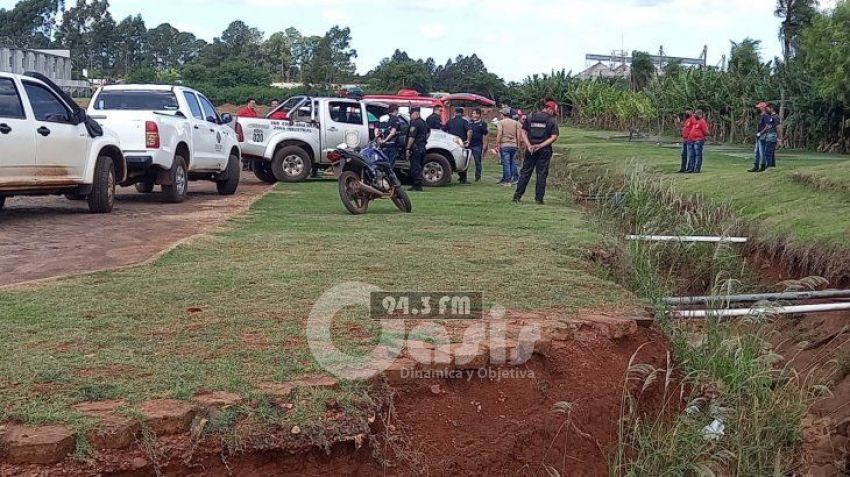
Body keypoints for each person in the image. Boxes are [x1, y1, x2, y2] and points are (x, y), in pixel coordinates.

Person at [513, 100, 560, 205]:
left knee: (525, 173)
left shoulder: (530, 117)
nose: (554, 114)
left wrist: (529, 145)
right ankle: (539, 199)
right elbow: (554, 137)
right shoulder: (551, 121)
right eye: (554, 112)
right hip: (544, 151)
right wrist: (540, 146)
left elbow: (523, 132)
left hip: (530, 151)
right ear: (549, 109)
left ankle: (517, 196)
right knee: (541, 174)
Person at [444, 107, 472, 184]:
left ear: (455, 113)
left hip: (451, 144)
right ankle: (463, 179)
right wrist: (468, 140)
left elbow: (443, 130)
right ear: (462, 113)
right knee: (462, 160)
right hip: (461, 143)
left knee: (450, 160)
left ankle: (448, 177)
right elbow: (469, 131)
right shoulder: (464, 122)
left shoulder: (450, 121)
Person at [406, 107, 430, 192]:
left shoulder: (415, 123)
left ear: (416, 113)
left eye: (411, 114)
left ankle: (417, 186)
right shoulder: (423, 122)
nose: (410, 116)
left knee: (415, 167)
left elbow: (411, 137)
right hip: (422, 147)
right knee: (419, 166)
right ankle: (417, 184)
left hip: (416, 148)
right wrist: (423, 140)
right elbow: (428, 133)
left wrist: (408, 148)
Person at [496, 106, 521, 186]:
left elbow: (500, 133)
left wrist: (497, 143)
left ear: (502, 114)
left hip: (505, 144)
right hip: (514, 145)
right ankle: (515, 177)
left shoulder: (501, 122)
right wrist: (518, 145)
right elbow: (518, 135)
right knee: (512, 162)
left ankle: (507, 180)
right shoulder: (515, 122)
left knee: (506, 163)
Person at [468, 108, 489, 182]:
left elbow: (486, 134)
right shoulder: (469, 122)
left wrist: (485, 145)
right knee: (465, 161)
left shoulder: (483, 123)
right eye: (472, 113)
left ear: (479, 115)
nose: (473, 115)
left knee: (478, 162)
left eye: (474, 113)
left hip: (477, 145)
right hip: (468, 145)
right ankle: (463, 177)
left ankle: (478, 177)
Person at [749, 102, 770, 172]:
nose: (757, 108)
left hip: (763, 136)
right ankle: (756, 166)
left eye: (759, 107)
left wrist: (761, 133)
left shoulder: (766, 116)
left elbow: (767, 126)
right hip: (759, 136)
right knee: (756, 152)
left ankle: (762, 166)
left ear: (762, 107)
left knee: (762, 152)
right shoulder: (761, 116)